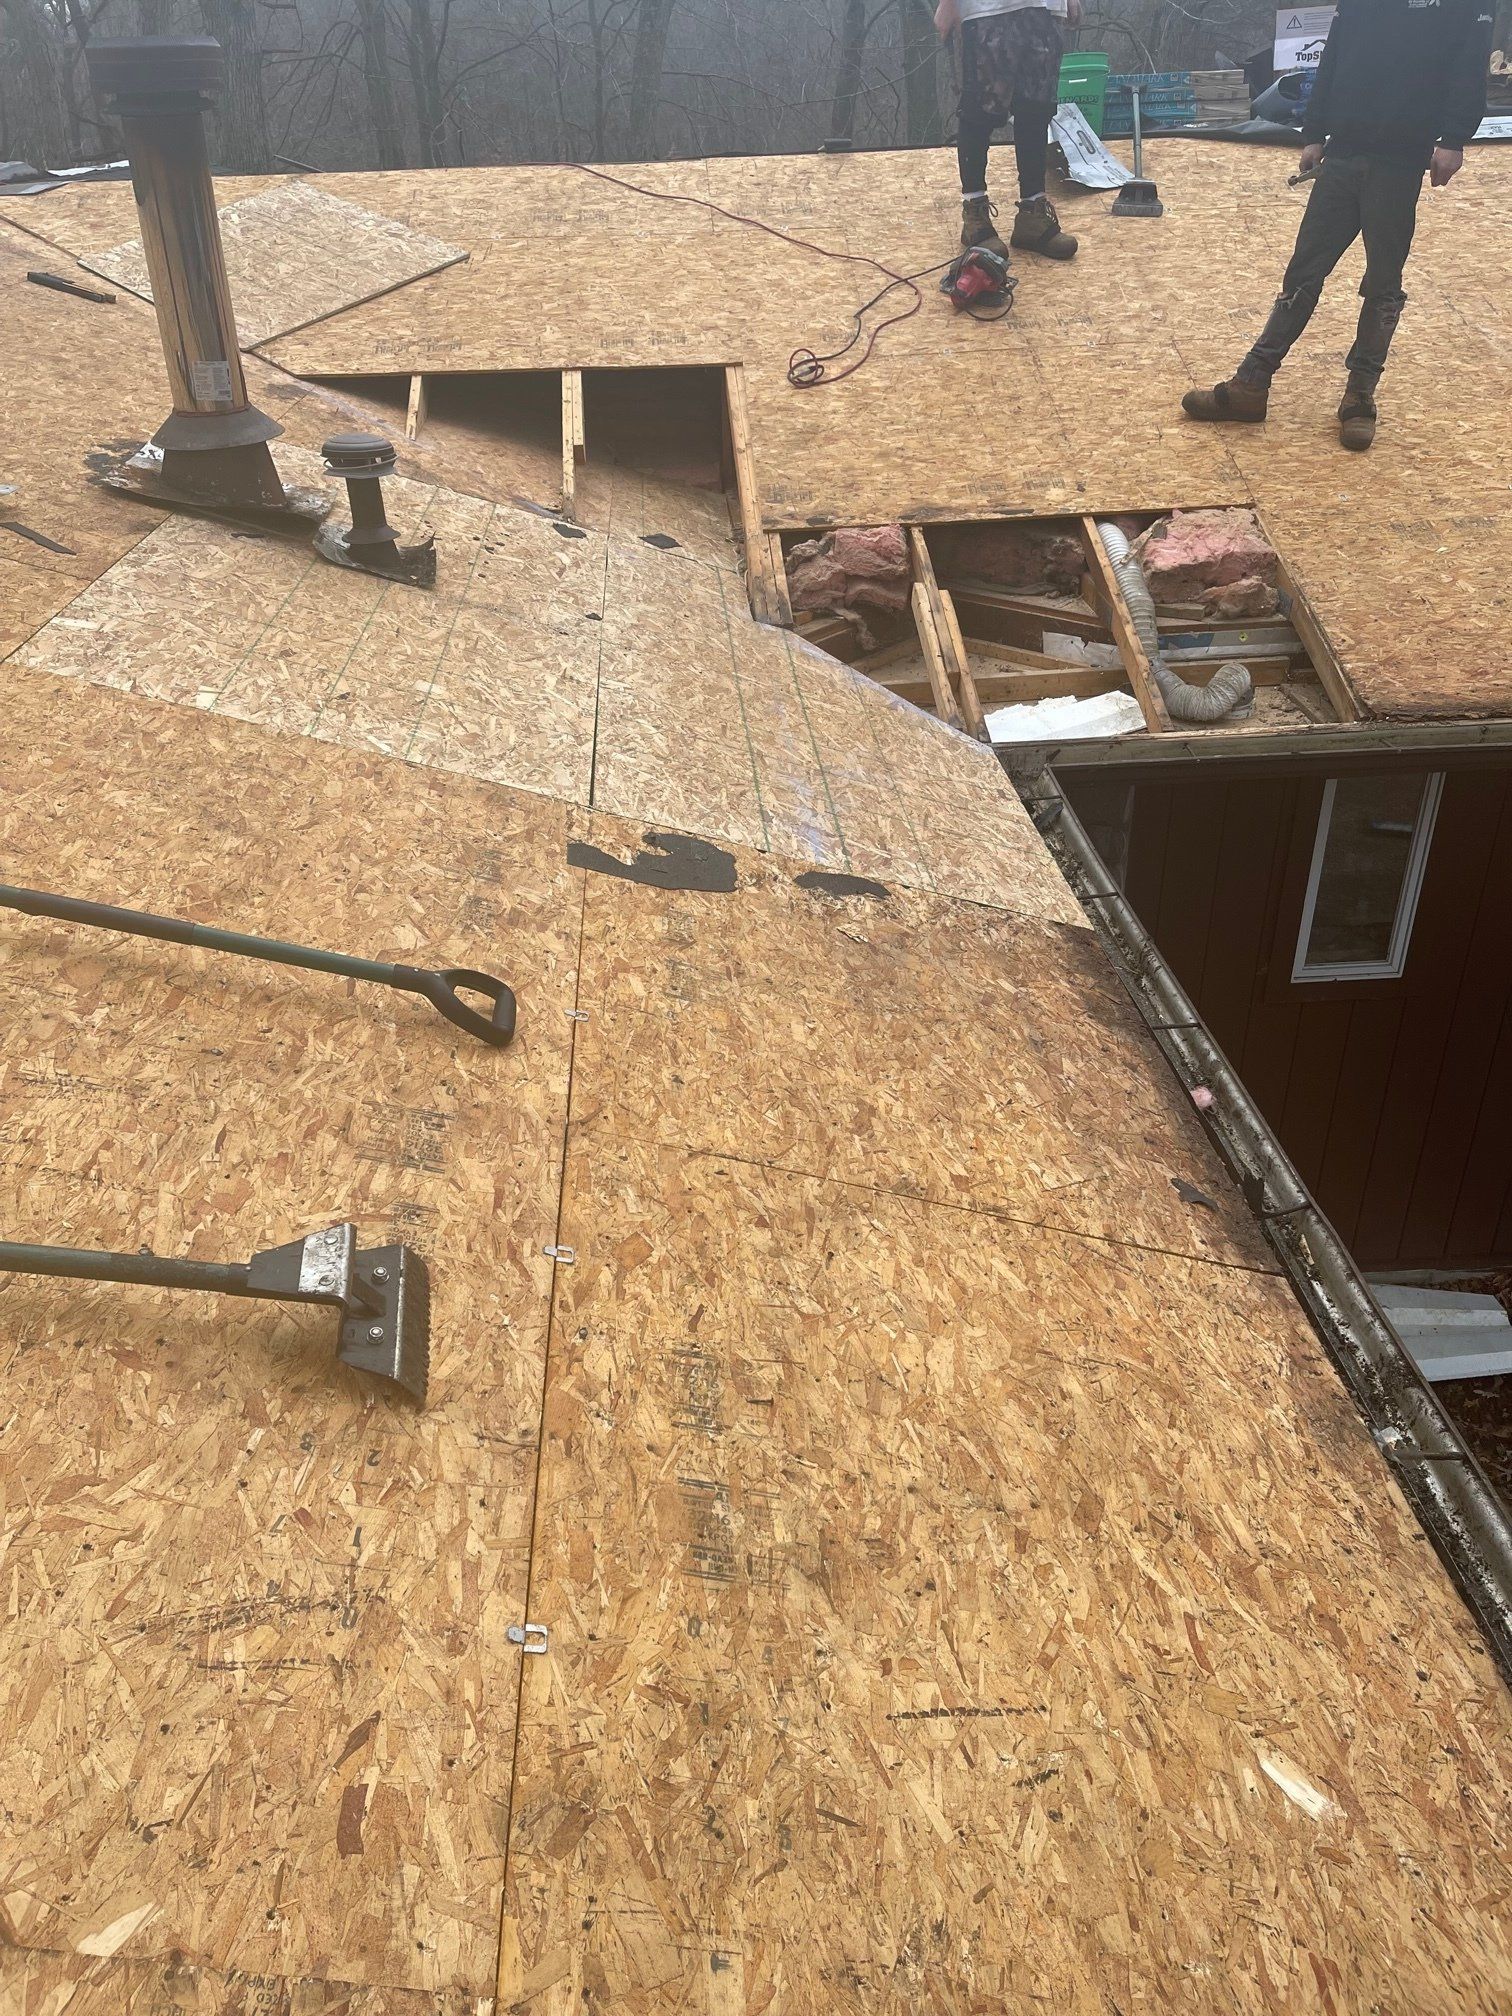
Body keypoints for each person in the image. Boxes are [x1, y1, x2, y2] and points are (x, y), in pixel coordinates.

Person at [1182, 0, 1493, 450]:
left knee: (1383, 282)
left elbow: (1470, 62)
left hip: (1401, 156)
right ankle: (1251, 385)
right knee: (1303, 273)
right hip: (1345, 149)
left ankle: (1359, 397)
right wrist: (1314, 131)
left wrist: (1454, 138)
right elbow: (1335, 53)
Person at [935, 0, 1084, 264]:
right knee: (979, 112)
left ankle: (1032, 215)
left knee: (1036, 110)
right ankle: (975, 216)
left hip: (1044, 8)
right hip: (986, 10)